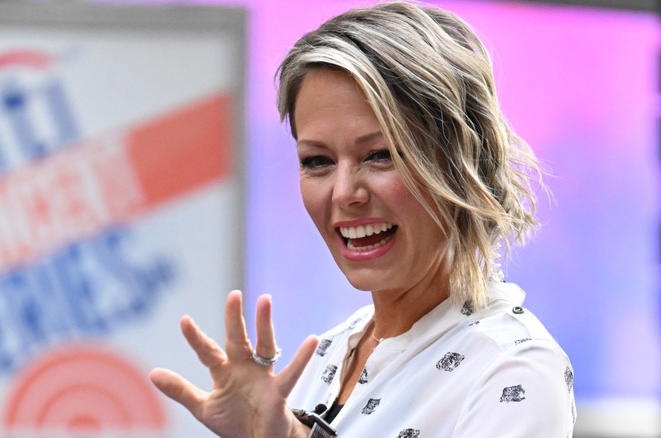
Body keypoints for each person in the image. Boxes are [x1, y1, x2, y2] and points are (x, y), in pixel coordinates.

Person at [149, 1, 576, 437]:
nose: (344, 193)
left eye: (380, 155)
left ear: (459, 159)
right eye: (317, 161)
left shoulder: (511, 367)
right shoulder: (331, 351)